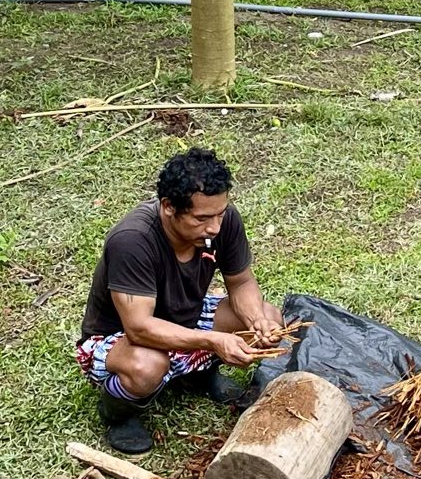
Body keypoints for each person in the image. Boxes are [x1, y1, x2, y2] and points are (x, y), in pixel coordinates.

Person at [77, 145, 284, 451]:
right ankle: (117, 411)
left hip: (186, 317)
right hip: (122, 337)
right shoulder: (133, 240)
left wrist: (257, 321)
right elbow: (139, 328)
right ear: (168, 207)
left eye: (220, 214)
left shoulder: (221, 222)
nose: (214, 227)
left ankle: (197, 375)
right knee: (147, 365)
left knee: (269, 316)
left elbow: (241, 282)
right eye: (201, 219)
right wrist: (213, 341)